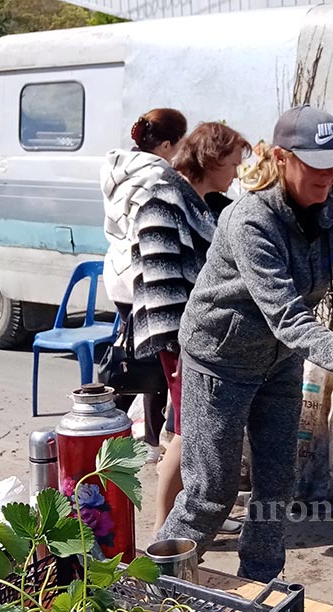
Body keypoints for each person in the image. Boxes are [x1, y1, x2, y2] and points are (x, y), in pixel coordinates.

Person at [154, 105, 333, 582]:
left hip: (278, 363)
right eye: (316, 165)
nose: (328, 176)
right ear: (281, 157)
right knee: (210, 493)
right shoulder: (251, 220)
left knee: (277, 485)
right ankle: (164, 594)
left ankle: (261, 584)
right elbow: (289, 316)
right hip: (220, 361)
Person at [127, 122, 252, 532]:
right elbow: (161, 281)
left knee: (186, 432)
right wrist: (183, 349)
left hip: (197, 339)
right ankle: (166, 539)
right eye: (232, 163)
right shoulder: (163, 197)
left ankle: (189, 521)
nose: (236, 172)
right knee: (185, 434)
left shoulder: (200, 201)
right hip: (181, 340)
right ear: (211, 159)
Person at [101, 107, 187, 460]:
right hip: (144, 274)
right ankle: (146, 438)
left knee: (138, 355)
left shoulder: (116, 168)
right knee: (156, 359)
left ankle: (113, 427)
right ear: (167, 144)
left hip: (118, 272)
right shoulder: (158, 176)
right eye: (179, 143)